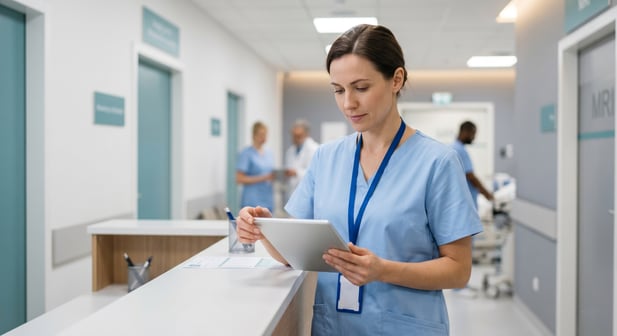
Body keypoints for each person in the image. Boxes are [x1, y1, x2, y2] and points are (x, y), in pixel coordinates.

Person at [236, 24, 481, 335]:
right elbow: (293, 256)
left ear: (397, 79)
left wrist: (383, 270)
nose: (348, 103)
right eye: (338, 90)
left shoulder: (437, 162)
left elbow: (459, 271)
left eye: (361, 87)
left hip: (404, 326)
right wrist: (263, 230)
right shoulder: (326, 159)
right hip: (334, 326)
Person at [451, 121, 494, 209]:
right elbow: (470, 176)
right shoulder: (459, 150)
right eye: (473, 134)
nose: (474, 137)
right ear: (465, 132)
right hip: (465, 201)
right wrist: (487, 194)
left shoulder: (454, 147)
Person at [236, 121, 275, 213]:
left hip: (267, 200)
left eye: (265, 134)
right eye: (261, 134)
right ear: (254, 135)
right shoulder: (246, 153)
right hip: (252, 200)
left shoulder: (269, 153)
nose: (264, 137)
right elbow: (239, 179)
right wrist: (263, 178)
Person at [284, 119, 319, 201]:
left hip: (309, 195)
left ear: (306, 135)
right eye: (293, 136)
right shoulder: (290, 151)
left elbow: (315, 173)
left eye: (298, 136)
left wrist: (296, 172)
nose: (295, 138)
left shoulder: (314, 149)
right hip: (293, 194)